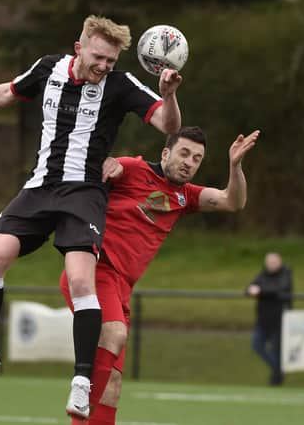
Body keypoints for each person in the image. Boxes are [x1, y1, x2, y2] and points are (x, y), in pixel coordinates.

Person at [0, 15, 182, 418]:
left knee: (82, 279)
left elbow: (168, 124)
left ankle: (81, 383)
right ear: (79, 47)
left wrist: (167, 93)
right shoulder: (49, 68)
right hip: (40, 187)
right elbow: (9, 92)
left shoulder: (121, 85)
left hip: (84, 194)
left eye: (111, 61)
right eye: (99, 57)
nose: (104, 67)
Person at [60, 126, 260, 424]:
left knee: (113, 387)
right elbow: (91, 173)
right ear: (166, 153)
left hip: (122, 289)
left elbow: (233, 201)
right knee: (114, 334)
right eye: (183, 153)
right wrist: (105, 164)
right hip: (95, 272)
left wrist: (235, 165)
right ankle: (80, 398)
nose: (189, 162)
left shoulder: (185, 197)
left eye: (196, 158)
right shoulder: (132, 169)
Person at [245, 252, 293, 386]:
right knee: (257, 345)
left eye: (274, 262)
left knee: (275, 350)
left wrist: (260, 291)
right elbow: (248, 290)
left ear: (280, 262)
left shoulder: (285, 273)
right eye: (269, 262)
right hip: (263, 320)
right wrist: (254, 290)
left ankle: (276, 379)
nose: (271, 265)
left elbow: (278, 289)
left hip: (279, 320)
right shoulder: (263, 274)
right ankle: (278, 370)